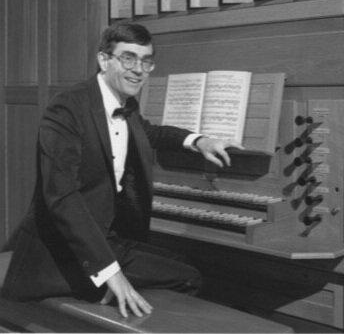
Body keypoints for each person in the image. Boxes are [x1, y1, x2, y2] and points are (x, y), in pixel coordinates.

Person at [1, 21, 242, 318]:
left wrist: (198, 140)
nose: (138, 69)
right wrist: (110, 272)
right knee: (187, 276)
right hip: (63, 251)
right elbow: (61, 197)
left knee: (184, 264)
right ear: (104, 59)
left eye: (146, 61)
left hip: (106, 238)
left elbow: (147, 132)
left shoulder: (124, 104)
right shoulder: (66, 107)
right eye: (128, 58)